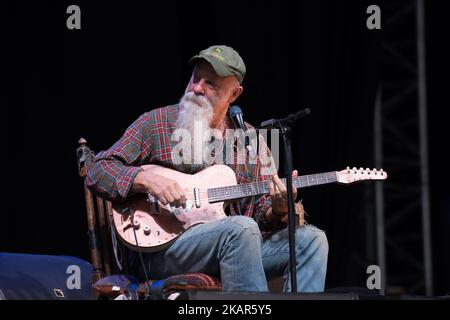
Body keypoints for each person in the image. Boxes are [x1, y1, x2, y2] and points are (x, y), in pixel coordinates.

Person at [86, 45, 328, 292]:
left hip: (233, 249)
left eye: (210, 84)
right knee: (239, 229)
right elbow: (97, 170)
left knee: (311, 241)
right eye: (195, 77)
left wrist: (276, 210)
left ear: (234, 94)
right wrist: (146, 179)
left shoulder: (252, 141)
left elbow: (257, 220)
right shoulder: (156, 123)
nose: (197, 88)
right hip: (161, 251)